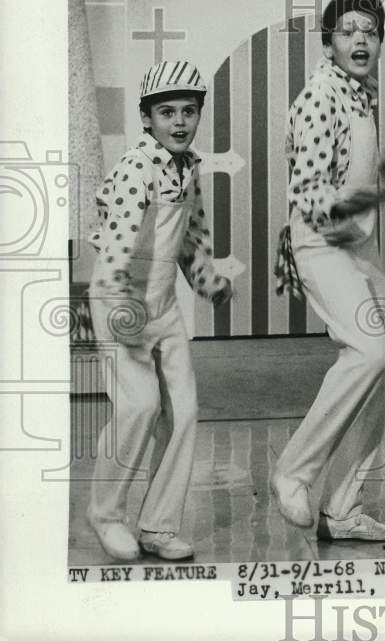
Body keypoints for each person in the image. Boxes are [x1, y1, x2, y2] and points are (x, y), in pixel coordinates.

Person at [86, 60, 232, 561]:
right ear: (146, 118)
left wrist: (210, 284)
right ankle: (105, 514)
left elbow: (191, 236)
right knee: (140, 406)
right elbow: (117, 245)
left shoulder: (188, 167)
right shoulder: (136, 167)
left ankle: (158, 526)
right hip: (120, 296)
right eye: (166, 112)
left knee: (184, 411)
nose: (178, 122)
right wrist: (122, 306)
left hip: (164, 302)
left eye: (188, 111)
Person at [271, 0, 385, 541]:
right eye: (348, 31)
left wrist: (368, 200)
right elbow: (308, 194)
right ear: (329, 42)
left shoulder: (361, 90)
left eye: (370, 31)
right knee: (368, 350)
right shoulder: (319, 96)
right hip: (321, 243)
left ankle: (343, 509)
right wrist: (367, 198)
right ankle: (292, 473)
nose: (361, 40)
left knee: (384, 363)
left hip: (358, 244)